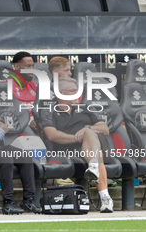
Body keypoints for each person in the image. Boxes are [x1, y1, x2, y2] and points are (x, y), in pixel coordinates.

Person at [41, 77, 114, 213]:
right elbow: (52, 134)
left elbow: (104, 128)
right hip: (69, 150)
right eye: (72, 91)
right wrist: (78, 137)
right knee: (94, 150)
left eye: (77, 91)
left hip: (99, 145)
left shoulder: (85, 107)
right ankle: (105, 198)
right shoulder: (48, 110)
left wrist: (87, 129)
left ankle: (93, 167)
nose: (77, 94)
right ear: (60, 93)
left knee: (90, 133)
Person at [0, 114, 42, 215]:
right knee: (5, 156)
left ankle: (28, 200)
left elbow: (4, 127)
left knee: (25, 155)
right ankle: (8, 202)